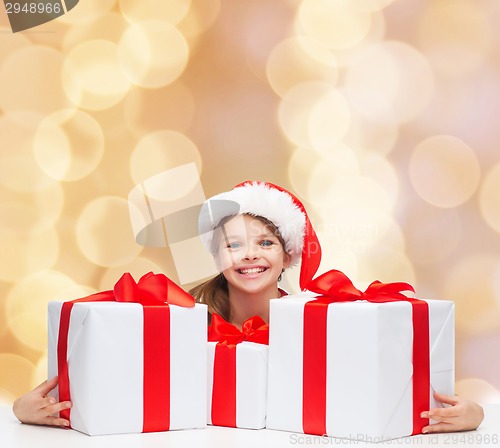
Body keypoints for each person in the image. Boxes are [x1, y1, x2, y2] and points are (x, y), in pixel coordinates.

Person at [13, 181, 484, 433]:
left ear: (287, 255)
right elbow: (99, 379)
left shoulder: (322, 324)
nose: (250, 254)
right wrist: (23, 410)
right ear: (217, 258)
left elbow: (384, 381)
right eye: (233, 245)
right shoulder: (178, 321)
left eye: (264, 242)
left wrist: (473, 417)